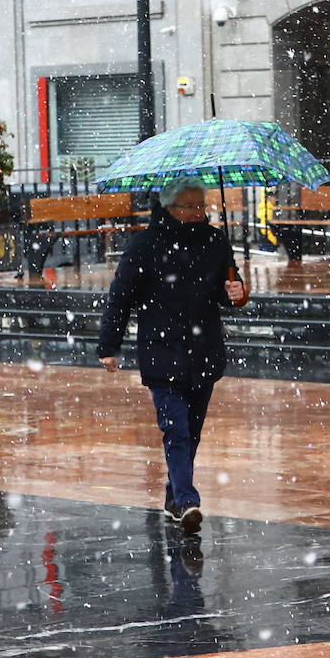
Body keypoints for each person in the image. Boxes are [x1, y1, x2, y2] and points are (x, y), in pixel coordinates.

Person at [97, 178, 249, 533]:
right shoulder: (145, 245)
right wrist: (109, 345)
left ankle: (173, 494)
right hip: (162, 351)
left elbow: (230, 294)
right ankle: (186, 500)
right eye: (191, 206)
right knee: (176, 431)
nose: (199, 213)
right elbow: (120, 298)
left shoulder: (215, 241)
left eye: (202, 206)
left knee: (191, 433)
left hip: (204, 350)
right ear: (170, 208)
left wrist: (237, 292)